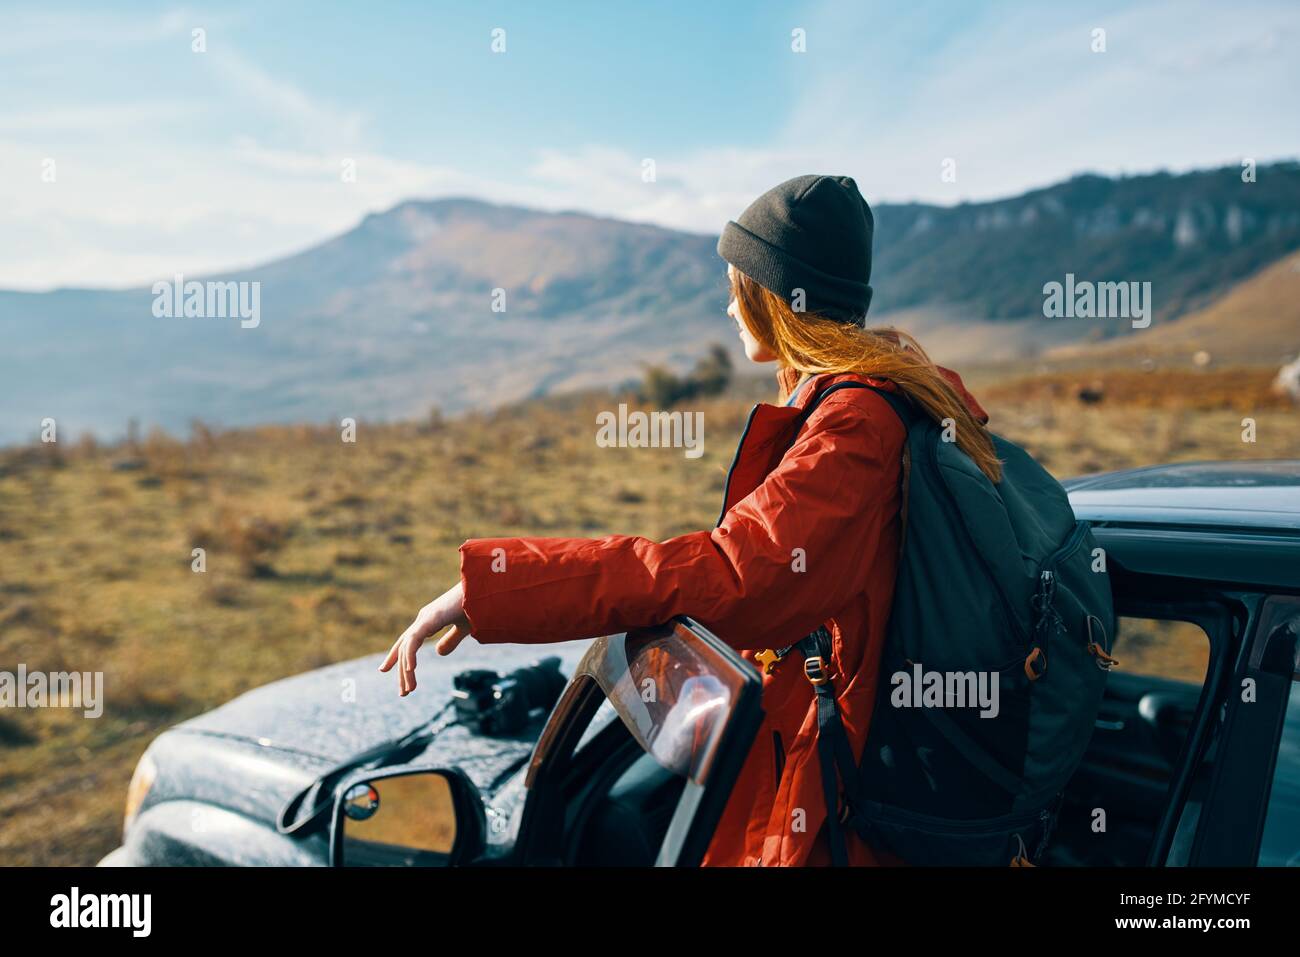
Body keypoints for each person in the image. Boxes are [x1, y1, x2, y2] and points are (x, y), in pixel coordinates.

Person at [380, 174, 998, 866]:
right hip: (831, 766)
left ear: (776, 297)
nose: (729, 306)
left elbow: (735, 576)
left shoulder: (854, 424)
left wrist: (496, 585)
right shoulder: (881, 400)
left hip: (833, 803)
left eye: (739, 285)